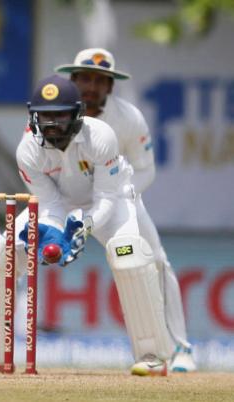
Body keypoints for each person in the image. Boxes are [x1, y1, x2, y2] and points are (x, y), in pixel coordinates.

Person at [0, 75, 176, 376]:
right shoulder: (28, 150)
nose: (51, 125)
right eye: (44, 116)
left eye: (59, 116)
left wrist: (84, 226)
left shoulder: (101, 137)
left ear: (77, 114)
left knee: (129, 255)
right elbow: (50, 203)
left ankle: (153, 357)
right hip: (60, 204)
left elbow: (106, 198)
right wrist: (52, 234)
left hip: (110, 202)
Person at [54, 48, 195, 373]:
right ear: (73, 80)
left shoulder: (128, 118)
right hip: (67, 200)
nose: (91, 87)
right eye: (85, 78)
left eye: (100, 81)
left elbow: (146, 169)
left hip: (117, 199)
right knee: (21, 246)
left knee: (155, 261)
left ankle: (179, 349)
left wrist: (127, 195)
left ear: (110, 86)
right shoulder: (55, 111)